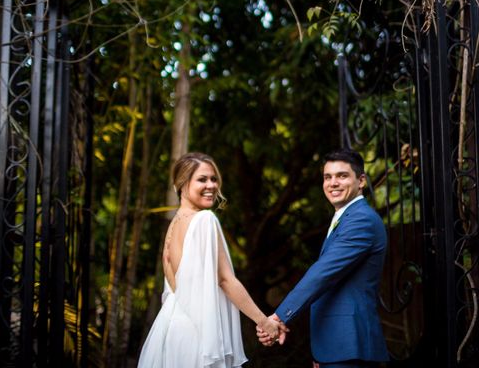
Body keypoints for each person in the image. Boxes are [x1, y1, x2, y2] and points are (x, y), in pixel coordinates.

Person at [138, 152, 284, 368]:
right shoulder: (204, 220)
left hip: (170, 331)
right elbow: (225, 280)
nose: (211, 185)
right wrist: (264, 322)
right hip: (196, 336)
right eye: (202, 179)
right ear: (182, 183)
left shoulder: (173, 225)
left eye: (214, 179)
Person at [258, 148, 389, 368]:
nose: (333, 183)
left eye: (342, 176)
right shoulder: (345, 218)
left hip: (350, 347)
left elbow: (322, 274)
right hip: (335, 347)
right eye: (328, 177)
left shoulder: (361, 220)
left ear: (362, 181)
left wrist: (280, 317)